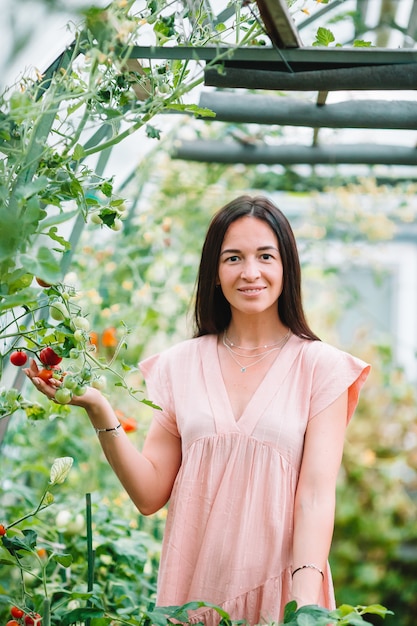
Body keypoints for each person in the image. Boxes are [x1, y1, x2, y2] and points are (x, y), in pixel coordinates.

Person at [25, 195, 370, 625]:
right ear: (214, 273)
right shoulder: (179, 365)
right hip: (192, 596)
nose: (250, 272)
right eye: (233, 258)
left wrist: (303, 610)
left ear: (287, 268)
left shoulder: (322, 367)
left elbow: (316, 497)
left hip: (285, 596)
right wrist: (99, 408)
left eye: (266, 256)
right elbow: (150, 494)